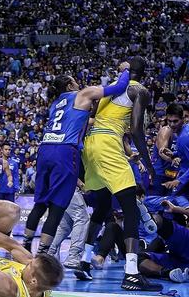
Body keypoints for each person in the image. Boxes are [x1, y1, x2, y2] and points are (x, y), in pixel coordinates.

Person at [75, 56, 162, 291]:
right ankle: (132, 274)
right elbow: (135, 131)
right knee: (130, 208)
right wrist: (149, 164)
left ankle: (83, 261)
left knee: (102, 207)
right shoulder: (140, 91)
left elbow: (90, 118)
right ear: (144, 73)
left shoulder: (107, 89)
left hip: (90, 145)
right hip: (107, 144)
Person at [23, 67, 130, 255]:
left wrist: (95, 121)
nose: (78, 82)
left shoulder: (55, 103)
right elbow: (120, 87)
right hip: (64, 151)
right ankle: (42, 254)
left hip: (45, 149)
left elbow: (79, 122)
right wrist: (126, 70)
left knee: (40, 204)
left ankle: (24, 245)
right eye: (75, 80)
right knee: (57, 207)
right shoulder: (82, 93)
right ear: (69, 84)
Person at [137, 200, 189, 283]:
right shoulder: (161, 241)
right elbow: (146, 254)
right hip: (188, 269)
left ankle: (154, 221)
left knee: (158, 219)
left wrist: (177, 209)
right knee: (138, 259)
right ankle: (168, 273)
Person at [46, 187, 90, 269]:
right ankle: (73, 257)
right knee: (82, 219)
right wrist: (82, 186)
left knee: (65, 226)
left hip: (57, 190)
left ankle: (49, 253)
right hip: (70, 188)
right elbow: (71, 174)